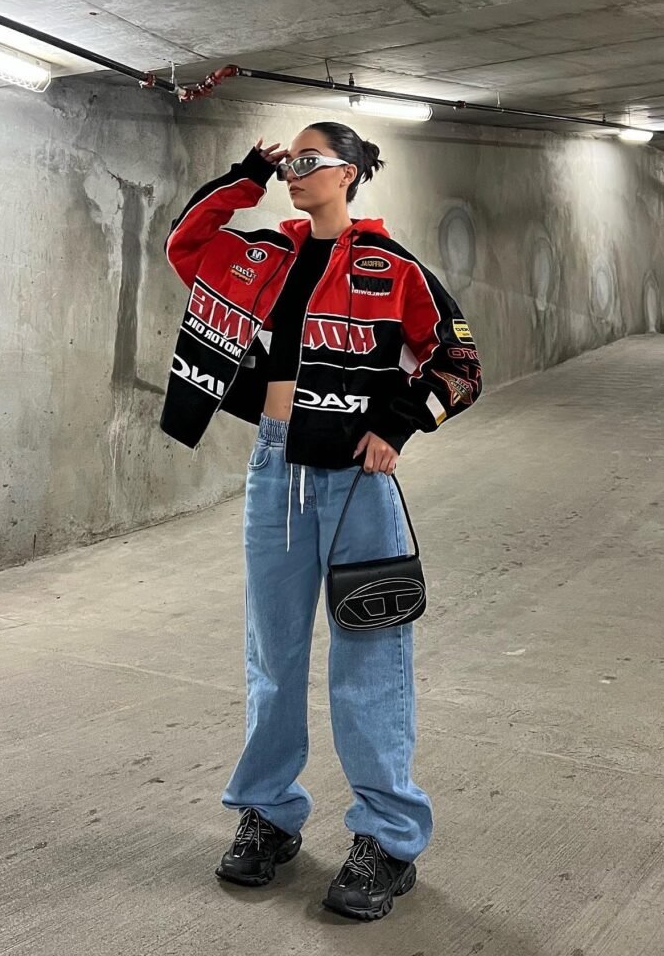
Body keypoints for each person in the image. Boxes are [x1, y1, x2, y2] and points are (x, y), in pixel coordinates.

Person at [161, 121, 483, 921]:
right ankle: (268, 814)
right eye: (290, 160)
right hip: (274, 470)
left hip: (354, 484)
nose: (294, 172)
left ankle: (387, 838)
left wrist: (398, 425)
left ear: (348, 174)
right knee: (271, 655)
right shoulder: (263, 254)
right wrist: (246, 174)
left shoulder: (393, 267)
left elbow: (459, 365)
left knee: (369, 657)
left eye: (310, 162)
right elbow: (184, 244)